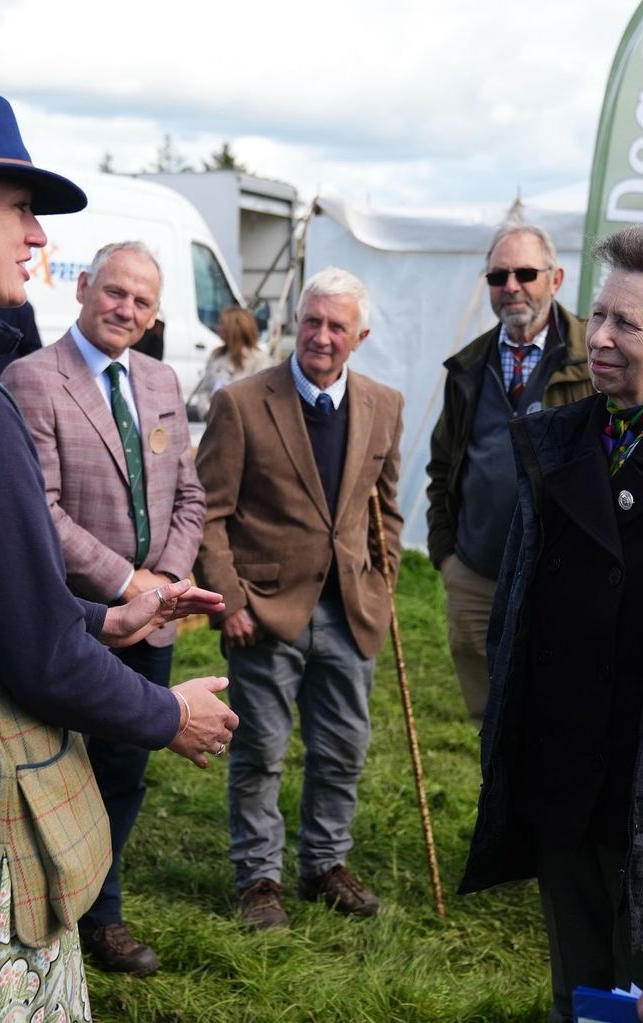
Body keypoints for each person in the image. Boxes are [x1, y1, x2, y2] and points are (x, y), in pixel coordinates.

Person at [0, 84, 237, 1019]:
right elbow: (33, 654)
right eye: (18, 209)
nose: (35, 239)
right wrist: (166, 711)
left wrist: (116, 613)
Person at [460, 225, 643, 1023]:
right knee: (579, 999)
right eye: (601, 313)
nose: (600, 337)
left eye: (628, 323)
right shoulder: (555, 444)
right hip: (562, 797)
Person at [2, 240, 205, 977]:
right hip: (71, 614)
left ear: (155, 314)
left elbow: (189, 495)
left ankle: (101, 913)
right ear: (84, 288)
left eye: (142, 301)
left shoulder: (160, 379)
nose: (125, 309)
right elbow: (42, 513)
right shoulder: (31, 379)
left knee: (126, 765)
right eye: (114, 292)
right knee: (53, 764)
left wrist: (170, 581)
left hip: (156, 612)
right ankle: (42, 909)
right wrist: (130, 583)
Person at [195, 267, 403, 929]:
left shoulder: (383, 405)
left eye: (335, 326)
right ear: (296, 322)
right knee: (259, 749)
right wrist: (229, 600)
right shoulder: (243, 401)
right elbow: (208, 512)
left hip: (349, 609)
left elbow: (387, 509)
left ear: (358, 336)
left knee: (342, 745)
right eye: (311, 321)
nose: (319, 335)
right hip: (264, 611)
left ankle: (324, 863)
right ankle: (258, 877)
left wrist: (382, 578)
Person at [426, 224, 593, 726]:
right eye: (499, 276)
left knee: (557, 710)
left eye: (525, 273)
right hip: (476, 573)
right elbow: (442, 464)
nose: (512, 286)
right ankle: (497, 800)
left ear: (556, 278)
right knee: (489, 717)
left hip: (562, 576)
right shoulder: (470, 366)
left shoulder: (595, 358)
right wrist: (446, 556)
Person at [190, 305, 271, 419]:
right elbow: (204, 389)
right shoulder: (216, 355)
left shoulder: (259, 360)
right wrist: (207, 412)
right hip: (217, 424)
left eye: (221, 323)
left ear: (234, 327)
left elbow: (262, 398)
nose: (217, 327)